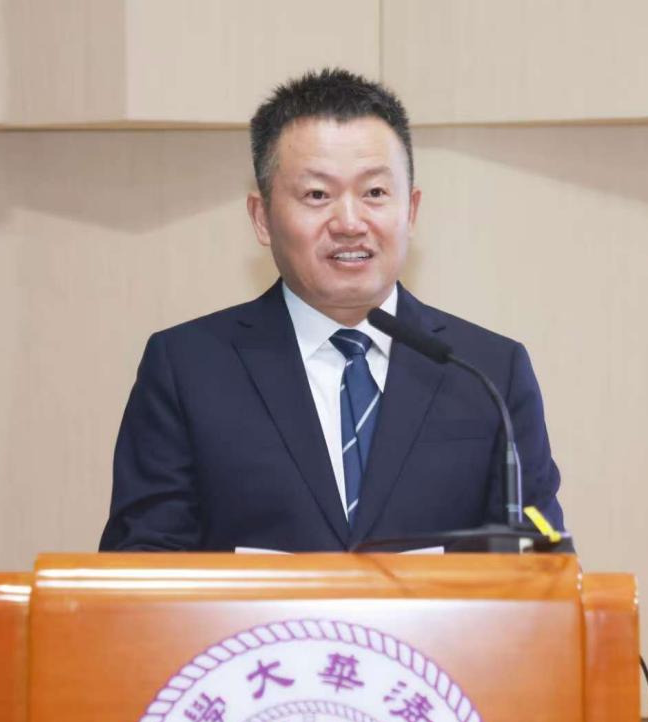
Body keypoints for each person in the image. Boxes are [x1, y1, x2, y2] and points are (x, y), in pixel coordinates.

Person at [99, 68, 563, 552]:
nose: (349, 223)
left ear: (411, 210)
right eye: (317, 195)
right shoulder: (187, 368)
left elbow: (541, 560)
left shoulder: (489, 373)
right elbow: (142, 562)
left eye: (375, 193)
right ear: (262, 217)